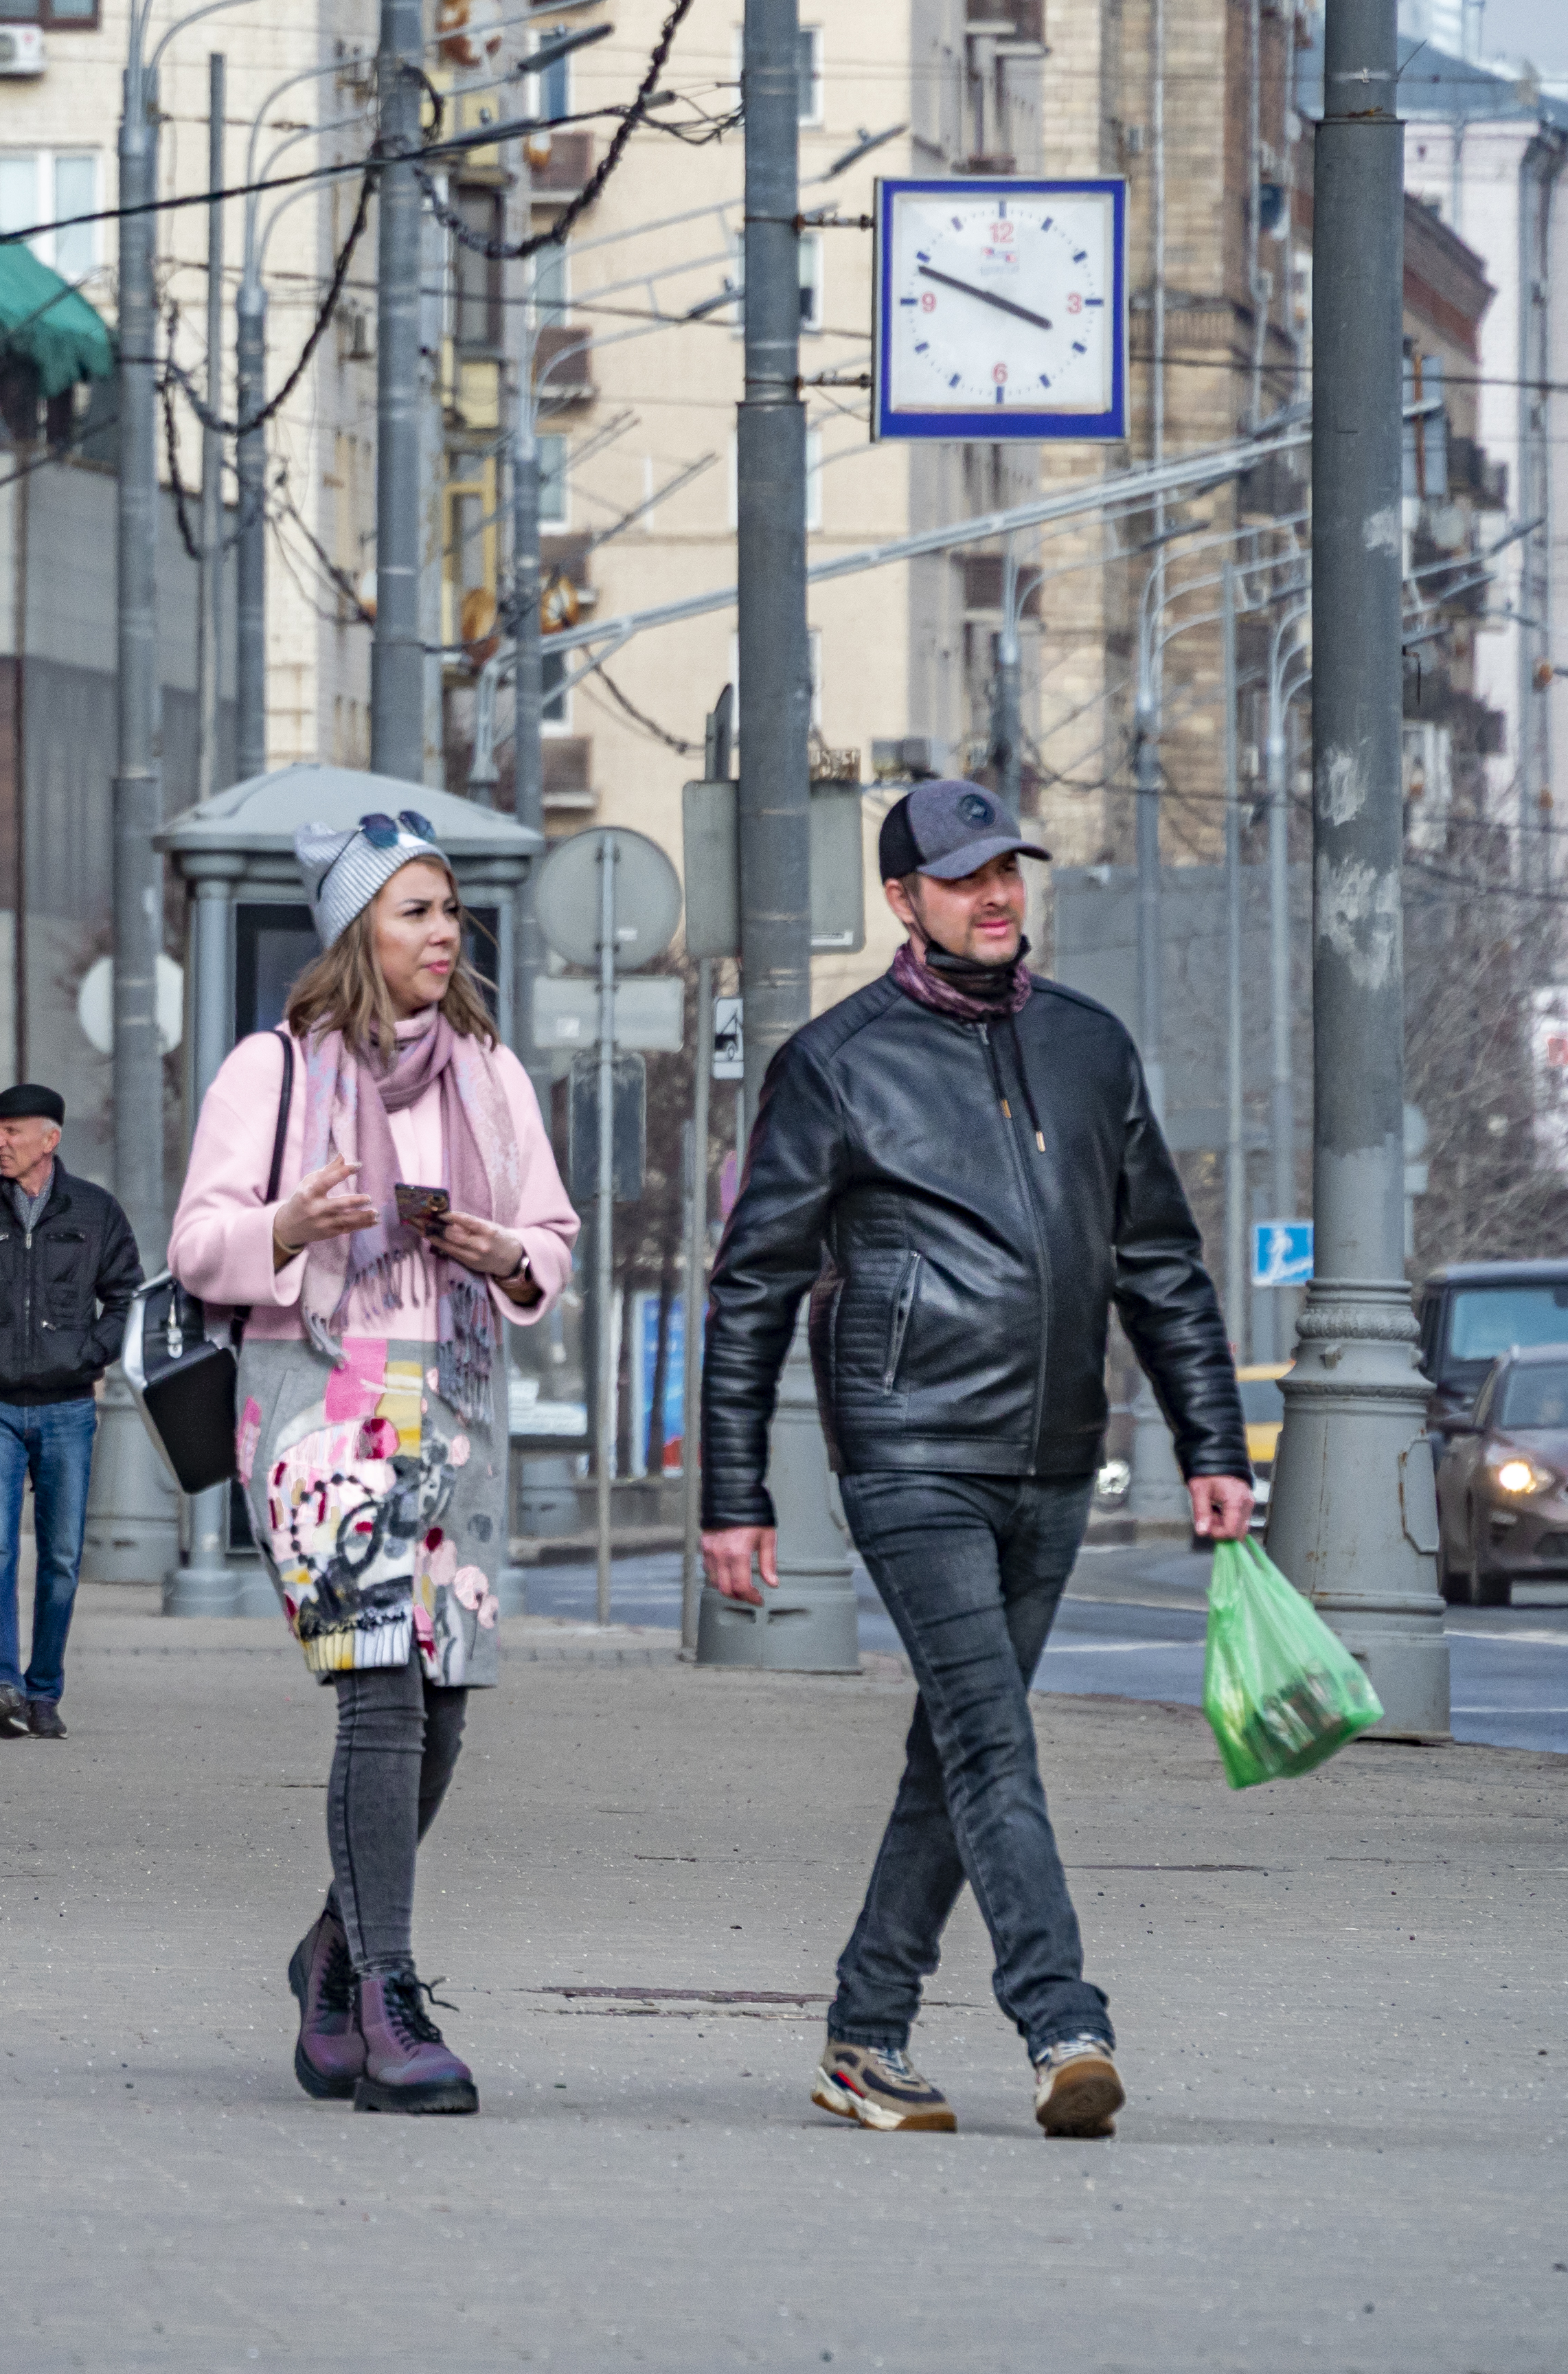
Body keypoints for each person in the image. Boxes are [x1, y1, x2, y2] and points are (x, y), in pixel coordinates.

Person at [703, 781, 1250, 2145]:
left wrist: (1212, 1446)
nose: (997, 895)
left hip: (1059, 1456)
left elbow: (1163, 1264)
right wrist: (732, 1494)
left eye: (1010, 870)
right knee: (995, 1741)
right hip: (910, 1455)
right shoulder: (837, 1062)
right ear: (905, 899)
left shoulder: (1088, 1048)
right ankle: (1064, 2018)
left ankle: (864, 2034)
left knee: (954, 1754)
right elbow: (753, 1285)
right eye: (964, 877)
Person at [173, 811, 577, 2114]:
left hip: (450, 1402)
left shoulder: (488, 1072)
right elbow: (198, 1244)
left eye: (448, 909)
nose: (442, 931)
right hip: (322, 1400)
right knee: (378, 1698)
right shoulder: (271, 1069)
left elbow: (550, 1238)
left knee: (442, 1710)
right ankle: (391, 1995)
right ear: (358, 929)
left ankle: (330, 1951)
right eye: (413, 910)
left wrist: (498, 1250)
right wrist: (289, 1222)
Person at [0, 1085, 143, 1741]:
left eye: (11, 1131)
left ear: (50, 1139)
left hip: (67, 1407)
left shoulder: (96, 1212)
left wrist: (88, 1353)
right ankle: (1, 1688)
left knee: (62, 1558)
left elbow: (128, 1297)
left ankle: (44, 1690)